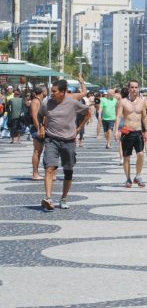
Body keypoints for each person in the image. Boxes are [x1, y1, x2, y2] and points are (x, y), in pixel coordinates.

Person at [39, 79, 91, 211]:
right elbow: (41, 115)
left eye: (55, 92)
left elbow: (88, 112)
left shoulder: (73, 102)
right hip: (51, 140)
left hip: (68, 141)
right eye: (51, 92)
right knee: (49, 168)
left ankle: (63, 198)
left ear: (62, 92)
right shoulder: (47, 104)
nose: (52, 94)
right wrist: (42, 127)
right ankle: (48, 198)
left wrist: (79, 128)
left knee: (68, 171)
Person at [116, 80, 147, 188]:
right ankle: (128, 179)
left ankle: (138, 176)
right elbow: (118, 117)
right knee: (127, 157)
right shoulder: (123, 102)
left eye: (136, 87)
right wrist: (117, 130)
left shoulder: (142, 101)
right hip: (127, 131)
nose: (134, 89)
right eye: (132, 87)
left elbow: (144, 117)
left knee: (141, 154)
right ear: (128, 88)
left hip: (138, 131)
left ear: (138, 88)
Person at [29, 85, 46, 180]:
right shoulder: (35, 101)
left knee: (39, 151)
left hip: (39, 127)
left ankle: (36, 173)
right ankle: (35, 174)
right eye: (46, 90)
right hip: (37, 128)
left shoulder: (39, 101)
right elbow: (34, 116)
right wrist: (38, 128)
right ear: (43, 91)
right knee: (37, 151)